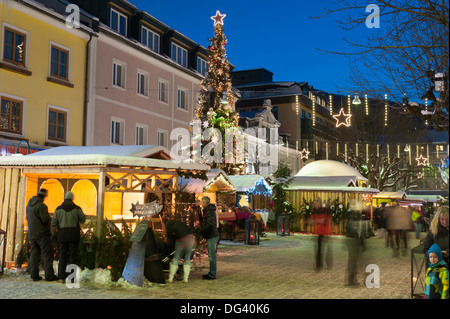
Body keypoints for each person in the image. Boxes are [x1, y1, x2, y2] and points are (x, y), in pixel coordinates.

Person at [51, 191, 86, 283]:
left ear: (65, 198)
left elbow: (54, 222)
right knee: (72, 256)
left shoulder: (58, 209)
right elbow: (83, 219)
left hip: (62, 235)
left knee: (62, 255)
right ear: (72, 198)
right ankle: (71, 277)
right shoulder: (77, 209)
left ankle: (61, 277)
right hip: (73, 235)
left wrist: (54, 233)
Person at [26, 189, 58, 281]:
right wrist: (50, 219)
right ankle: (49, 275)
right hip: (42, 234)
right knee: (46, 254)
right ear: (44, 196)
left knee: (34, 254)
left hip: (32, 234)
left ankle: (34, 275)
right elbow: (45, 219)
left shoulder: (29, 205)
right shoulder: (41, 206)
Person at [200, 196, 219, 280]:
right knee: (211, 255)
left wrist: (202, 230)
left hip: (212, 235)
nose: (201, 203)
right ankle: (211, 272)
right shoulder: (208, 211)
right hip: (211, 234)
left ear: (205, 203)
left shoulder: (209, 211)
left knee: (212, 256)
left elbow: (210, 224)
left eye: (202, 202)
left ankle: (212, 274)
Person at [310, 200, 332, 271]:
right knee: (319, 250)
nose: (316, 205)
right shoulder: (317, 212)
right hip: (320, 233)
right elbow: (311, 220)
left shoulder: (324, 211)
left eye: (317, 204)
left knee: (325, 250)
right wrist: (318, 221)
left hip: (324, 232)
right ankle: (319, 265)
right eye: (315, 204)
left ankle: (325, 265)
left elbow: (327, 220)